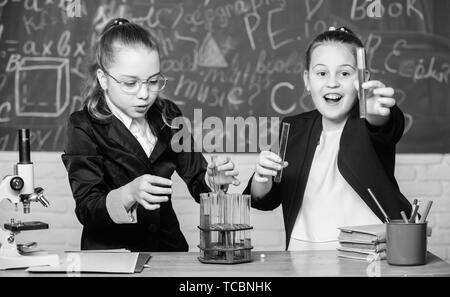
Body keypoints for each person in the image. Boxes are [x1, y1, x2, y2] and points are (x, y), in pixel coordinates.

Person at [62, 18, 239, 252]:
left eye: (153, 81)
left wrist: (212, 181)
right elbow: (87, 208)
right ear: (103, 79)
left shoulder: (168, 114)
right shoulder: (83, 125)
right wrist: (129, 193)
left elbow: (197, 179)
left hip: (167, 252)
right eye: (130, 83)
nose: (144, 94)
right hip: (112, 258)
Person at [244, 26, 412, 251]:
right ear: (307, 79)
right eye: (322, 73)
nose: (332, 82)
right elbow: (266, 200)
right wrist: (261, 179)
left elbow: (388, 126)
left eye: (344, 73)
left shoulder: (369, 121)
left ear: (362, 79)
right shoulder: (293, 127)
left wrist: (375, 112)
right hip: (301, 257)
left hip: (366, 256)